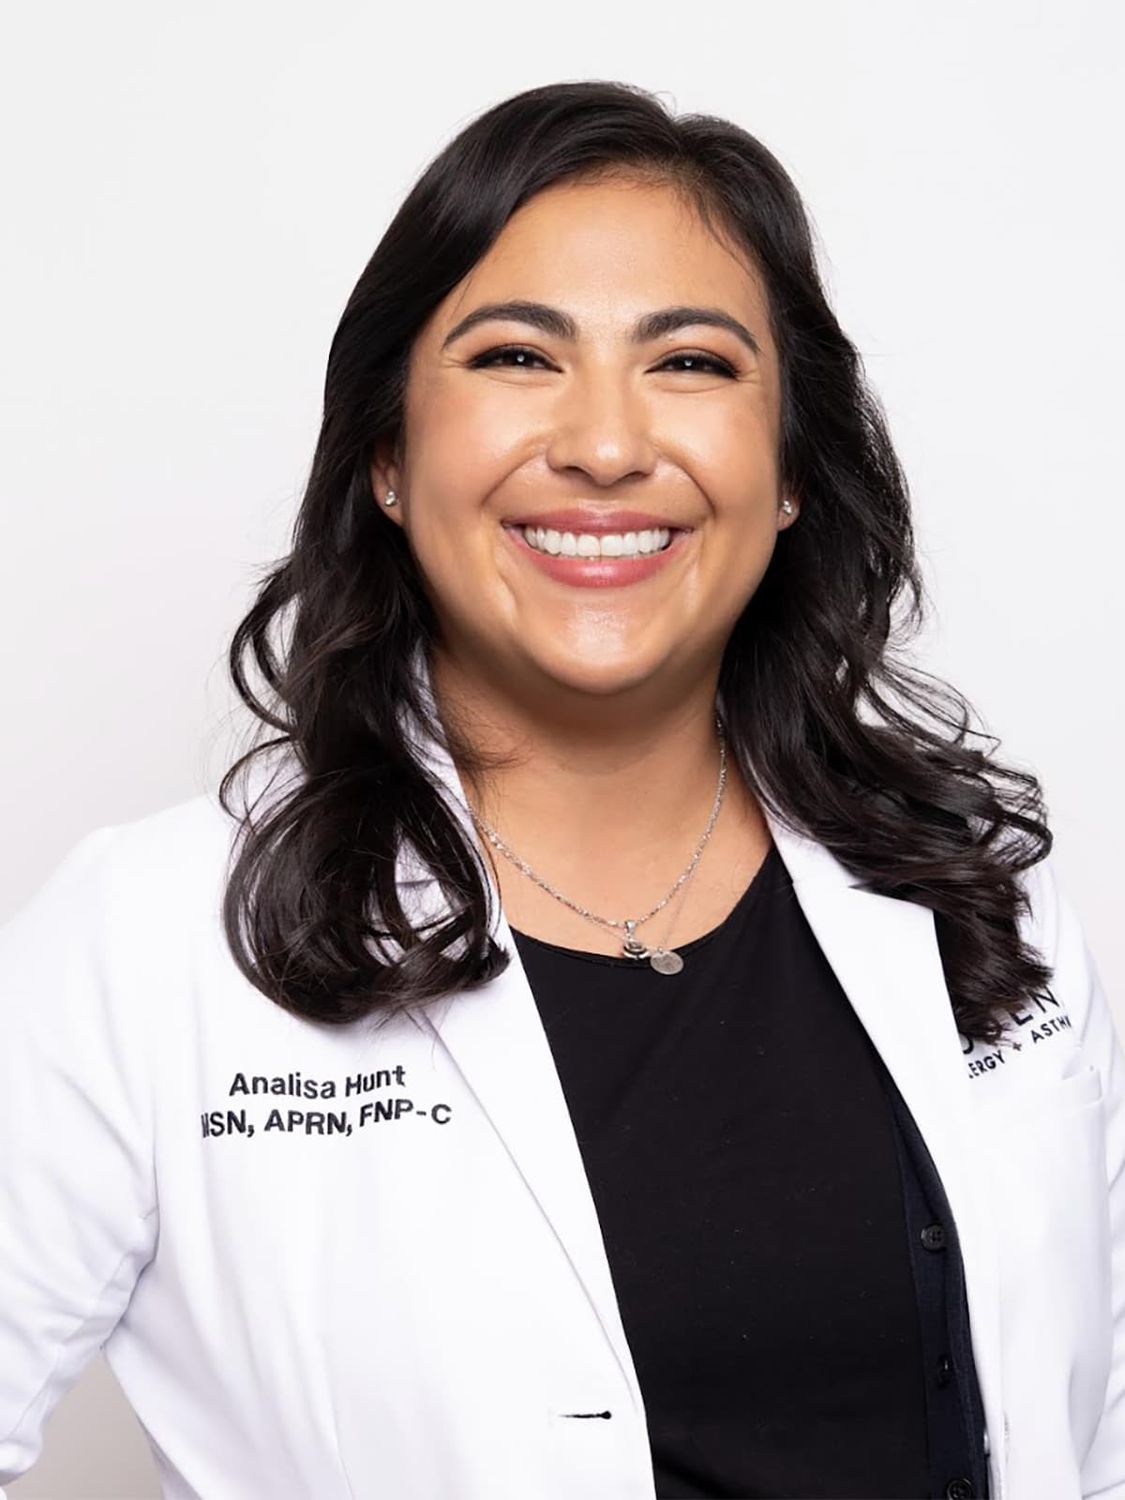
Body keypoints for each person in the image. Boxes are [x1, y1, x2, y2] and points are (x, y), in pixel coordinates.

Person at [0, 79, 1120, 1500]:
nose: (603, 444)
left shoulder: (972, 888)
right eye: (518, 358)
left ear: (787, 469)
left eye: (694, 365)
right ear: (389, 458)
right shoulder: (144, 947)